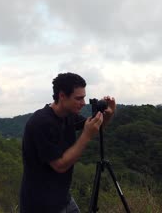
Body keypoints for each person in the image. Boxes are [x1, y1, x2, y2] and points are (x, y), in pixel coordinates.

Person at [19, 72, 116, 213]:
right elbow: (60, 165)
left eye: (84, 97)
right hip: (40, 204)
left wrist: (108, 114)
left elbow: (94, 127)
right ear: (62, 96)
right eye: (79, 98)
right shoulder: (41, 123)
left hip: (63, 198)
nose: (83, 103)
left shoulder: (69, 115)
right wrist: (86, 136)